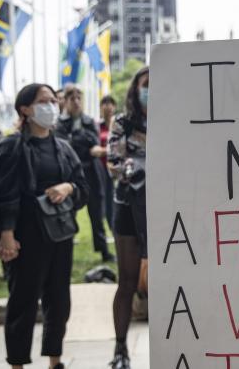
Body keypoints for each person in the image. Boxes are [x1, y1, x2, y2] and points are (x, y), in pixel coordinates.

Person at [0, 83, 88, 369]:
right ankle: (18, 363)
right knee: (23, 303)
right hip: (26, 236)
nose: (51, 106)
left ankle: (55, 360)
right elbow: (3, 193)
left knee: (58, 302)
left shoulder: (63, 147)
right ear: (25, 109)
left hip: (60, 234)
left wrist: (69, 187)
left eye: (53, 101)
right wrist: (6, 234)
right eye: (43, 101)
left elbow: (84, 189)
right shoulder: (12, 146)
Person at [108, 67, 149, 369]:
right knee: (127, 280)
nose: (152, 89)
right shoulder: (122, 122)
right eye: (147, 84)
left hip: (165, 208)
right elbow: (114, 163)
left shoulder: (175, 120)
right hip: (128, 207)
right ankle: (120, 349)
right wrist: (142, 168)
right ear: (136, 89)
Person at [55, 86, 113, 262]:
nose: (76, 101)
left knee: (97, 214)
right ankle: (66, 252)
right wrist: (84, 143)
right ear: (65, 101)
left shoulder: (88, 121)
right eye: (72, 98)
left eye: (79, 97)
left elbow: (93, 143)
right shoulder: (60, 123)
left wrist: (78, 140)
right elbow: (65, 146)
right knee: (68, 214)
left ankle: (103, 250)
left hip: (92, 173)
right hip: (71, 174)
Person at [98, 95, 117, 228]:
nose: (108, 106)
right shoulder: (96, 126)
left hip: (116, 167)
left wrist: (104, 150)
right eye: (105, 103)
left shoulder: (118, 125)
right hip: (101, 168)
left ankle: (113, 226)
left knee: (112, 199)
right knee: (103, 199)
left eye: (110, 103)